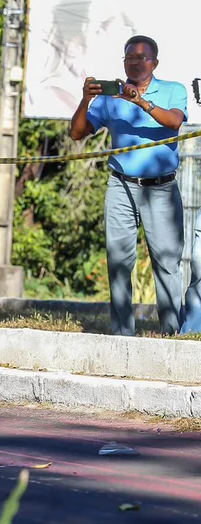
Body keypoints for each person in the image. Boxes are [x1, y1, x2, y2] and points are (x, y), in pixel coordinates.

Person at [70, 35, 188, 336]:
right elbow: (77, 133)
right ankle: (123, 334)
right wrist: (86, 99)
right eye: (129, 57)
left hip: (161, 188)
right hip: (121, 186)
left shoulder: (173, 90)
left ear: (155, 63)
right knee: (119, 260)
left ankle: (172, 332)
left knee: (167, 262)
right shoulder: (111, 98)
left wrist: (141, 102)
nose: (135, 62)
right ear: (123, 62)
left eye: (142, 57)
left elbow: (174, 122)